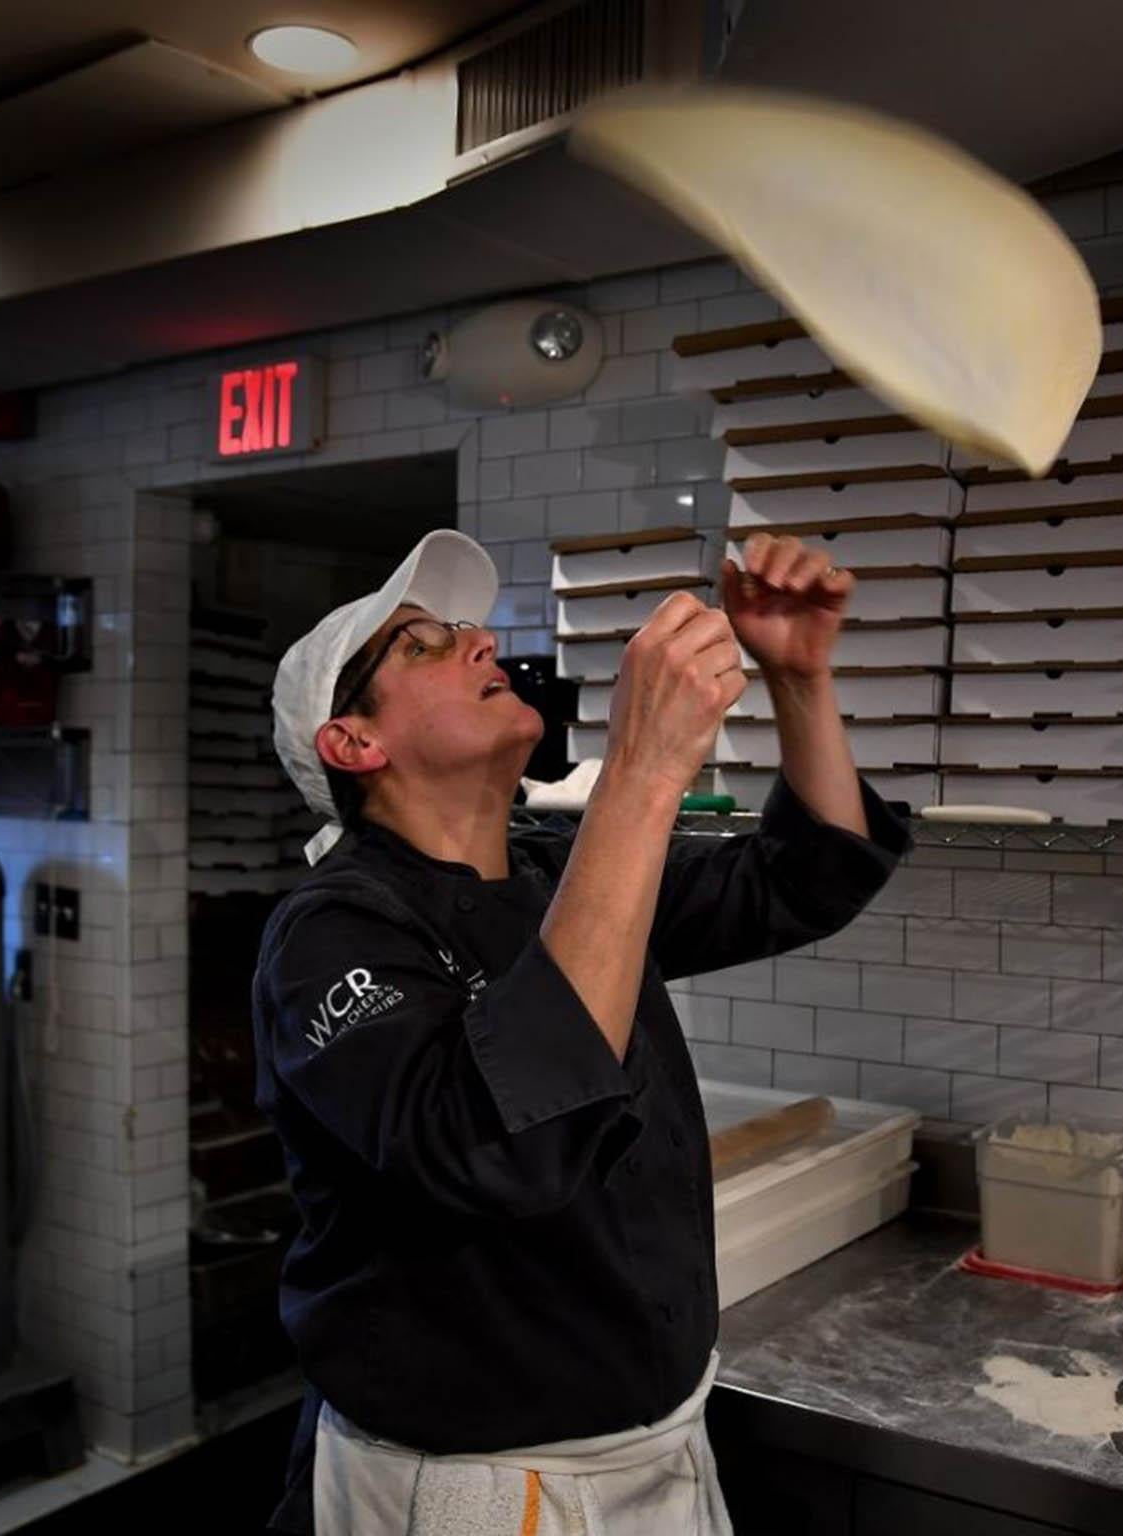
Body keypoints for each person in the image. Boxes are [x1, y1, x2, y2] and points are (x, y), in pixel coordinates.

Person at [256, 526, 910, 1533]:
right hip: (477, 1485)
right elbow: (497, 1143)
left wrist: (798, 679)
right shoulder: (329, 933)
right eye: (421, 645)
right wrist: (643, 770)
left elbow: (801, 881)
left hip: (652, 1452)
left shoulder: (548, 871)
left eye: (464, 626)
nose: (476, 640)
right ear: (353, 744)